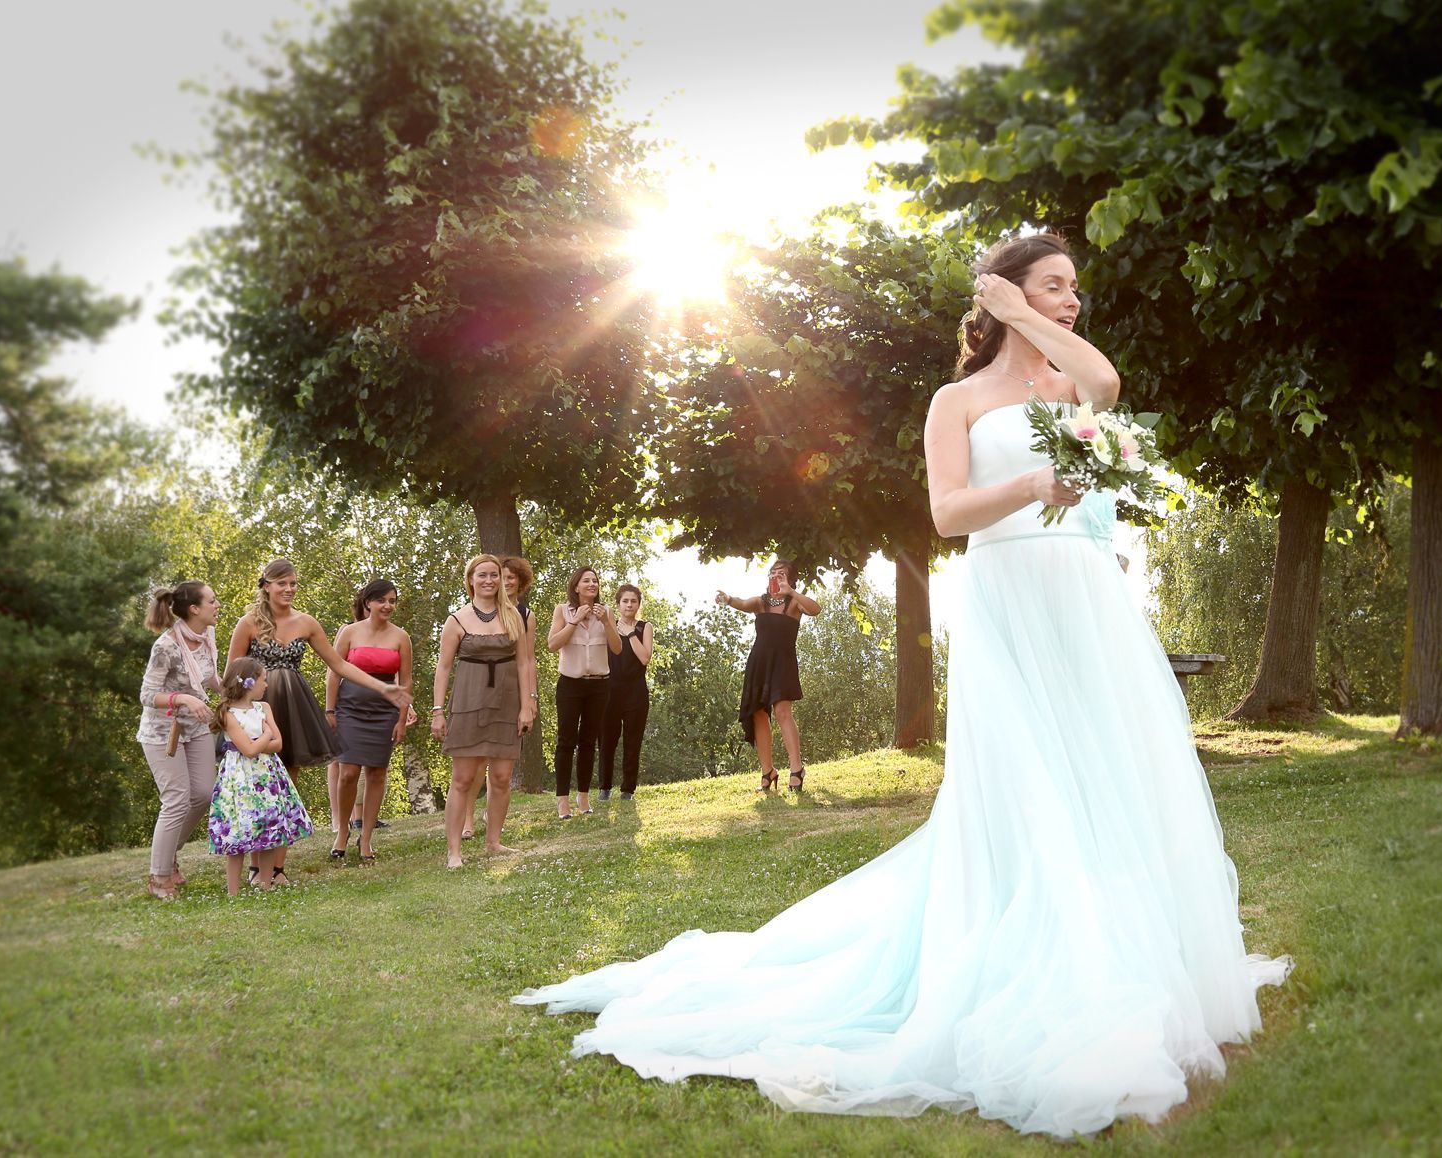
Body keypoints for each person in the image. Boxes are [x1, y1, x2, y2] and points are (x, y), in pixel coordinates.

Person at [514, 232, 1290, 1137]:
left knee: (1106, 769)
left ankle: (1123, 954)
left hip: (1084, 596)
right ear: (1005, 297)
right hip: (1007, 592)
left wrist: (1036, 334)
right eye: (1053, 286)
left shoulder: (1076, 387)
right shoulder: (955, 400)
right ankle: (1033, 957)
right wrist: (1033, 473)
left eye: (1076, 288)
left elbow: (1108, 391)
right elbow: (947, 513)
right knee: (1024, 779)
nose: (1072, 300)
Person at [227, 558, 410, 883]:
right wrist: (233, 717)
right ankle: (256, 868)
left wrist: (385, 687)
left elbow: (340, 666)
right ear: (266, 586)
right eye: (281, 583)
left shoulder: (307, 623)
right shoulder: (248, 623)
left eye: (293, 583)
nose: (288, 589)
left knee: (288, 784)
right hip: (258, 709)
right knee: (260, 785)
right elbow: (232, 674)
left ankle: (278, 868)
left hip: (294, 708)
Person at [431, 554, 537, 868]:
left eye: (494, 575)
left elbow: (523, 663)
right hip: (468, 701)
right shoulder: (457, 619)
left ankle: (493, 842)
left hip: (507, 702)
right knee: (463, 778)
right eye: (482, 575)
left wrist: (528, 704)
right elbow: (444, 667)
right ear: (471, 580)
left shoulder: (514, 617)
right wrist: (438, 711)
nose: (489, 581)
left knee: (502, 777)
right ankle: (454, 852)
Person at [135, 581, 222, 899]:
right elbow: (147, 695)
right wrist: (184, 699)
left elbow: (208, 676)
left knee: (202, 793)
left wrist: (229, 694)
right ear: (194, 609)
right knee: (176, 799)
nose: (218, 605)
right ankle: (159, 877)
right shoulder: (166, 646)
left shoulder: (206, 636)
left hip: (196, 728)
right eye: (212, 601)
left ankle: (169, 852)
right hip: (162, 733)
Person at [324, 579, 412, 865]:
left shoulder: (401, 637)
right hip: (350, 709)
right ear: (368, 603)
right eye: (382, 600)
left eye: (392, 601)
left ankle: (366, 838)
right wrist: (330, 711)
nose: (388, 606)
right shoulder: (349, 632)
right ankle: (343, 832)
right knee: (348, 771)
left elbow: (406, 681)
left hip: (384, 712)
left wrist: (401, 718)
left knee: (377, 773)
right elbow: (334, 673)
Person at [207, 657, 312, 894]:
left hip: (266, 776)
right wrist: (265, 735)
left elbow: (279, 743)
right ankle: (233, 891)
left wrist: (262, 740)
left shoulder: (263, 708)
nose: (266, 685)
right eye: (263, 680)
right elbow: (250, 749)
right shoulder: (227, 713)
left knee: (268, 827)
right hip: (240, 778)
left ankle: (265, 885)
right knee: (239, 831)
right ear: (249, 682)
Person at [716, 561, 820, 792]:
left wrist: (790, 591)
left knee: (783, 712)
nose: (776, 576)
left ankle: (796, 769)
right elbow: (741, 603)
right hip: (759, 663)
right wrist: (727, 598)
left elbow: (815, 609)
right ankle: (768, 772)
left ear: (790, 579)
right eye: (773, 573)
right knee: (759, 715)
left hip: (783, 664)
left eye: (781, 574)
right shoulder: (761, 602)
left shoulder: (794, 603)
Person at [462, 554, 537, 836]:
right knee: (475, 761)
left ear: (519, 583)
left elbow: (527, 660)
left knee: (501, 769)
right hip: (478, 694)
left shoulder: (525, 616)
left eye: (509, 578)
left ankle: (493, 827)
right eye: (499, 577)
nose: (504, 582)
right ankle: (467, 821)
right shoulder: (471, 616)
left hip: (510, 693)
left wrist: (530, 699)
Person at [547, 566, 620, 819]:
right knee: (566, 741)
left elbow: (617, 648)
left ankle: (584, 797)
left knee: (589, 741)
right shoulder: (562, 610)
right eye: (586, 580)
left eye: (595, 581)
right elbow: (552, 644)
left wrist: (606, 622)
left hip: (599, 685)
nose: (592, 584)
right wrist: (574, 620)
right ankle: (562, 801)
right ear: (576, 586)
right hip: (571, 684)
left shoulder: (607, 612)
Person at [597, 584, 653, 802]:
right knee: (606, 740)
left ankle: (628, 789)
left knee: (633, 741)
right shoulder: (608, 626)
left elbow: (645, 658)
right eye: (625, 601)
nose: (629, 605)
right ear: (618, 603)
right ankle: (604, 788)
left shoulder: (644, 627)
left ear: (638, 604)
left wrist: (630, 634)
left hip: (636, 691)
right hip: (610, 690)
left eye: (633, 601)